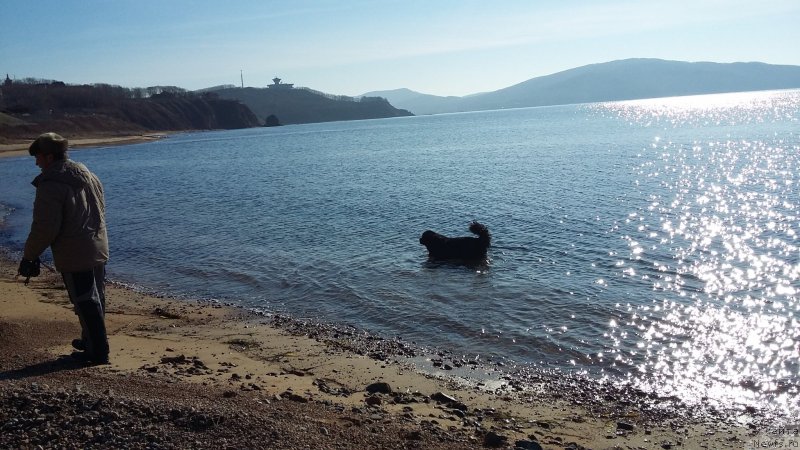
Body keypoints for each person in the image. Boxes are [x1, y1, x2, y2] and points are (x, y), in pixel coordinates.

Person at [16, 132, 110, 364]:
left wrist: (29, 256)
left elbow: (45, 227)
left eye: (37, 157)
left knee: (85, 300)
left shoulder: (51, 184)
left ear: (48, 157)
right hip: (98, 243)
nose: (36, 162)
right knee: (95, 298)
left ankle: (98, 352)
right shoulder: (86, 172)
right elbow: (101, 206)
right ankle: (91, 341)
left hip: (75, 250)